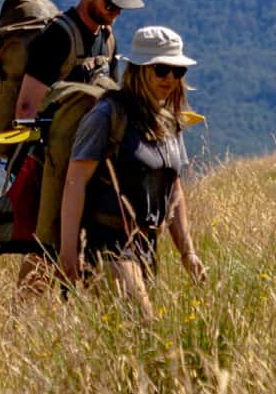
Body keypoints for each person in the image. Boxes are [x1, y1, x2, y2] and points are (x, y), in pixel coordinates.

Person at [56, 25, 205, 317]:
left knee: (126, 341)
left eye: (178, 71)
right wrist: (69, 252)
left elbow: (173, 188)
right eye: (162, 69)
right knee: (144, 325)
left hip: (147, 245)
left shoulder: (170, 121)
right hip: (107, 244)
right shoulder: (107, 116)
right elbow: (75, 182)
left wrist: (187, 252)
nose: (171, 78)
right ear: (139, 69)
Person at [13, 0, 143, 122]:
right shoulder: (57, 37)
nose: (117, 12)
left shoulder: (108, 39)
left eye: (121, 7)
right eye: (111, 5)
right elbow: (26, 109)